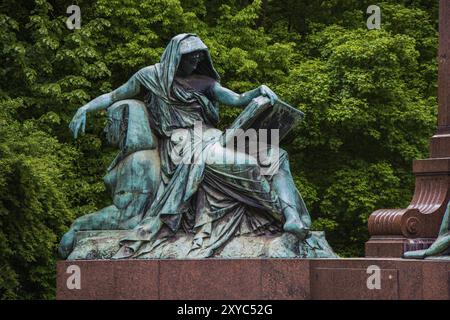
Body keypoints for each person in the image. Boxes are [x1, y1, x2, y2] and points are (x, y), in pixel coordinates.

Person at [69, 33, 311, 258]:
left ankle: (292, 219)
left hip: (212, 135)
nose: (196, 59)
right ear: (175, 55)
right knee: (246, 164)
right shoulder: (150, 76)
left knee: (276, 154)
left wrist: (258, 92)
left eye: (199, 54)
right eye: (190, 55)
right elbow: (114, 96)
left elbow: (236, 99)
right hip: (184, 144)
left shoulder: (204, 81)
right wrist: (85, 108)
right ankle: (279, 215)